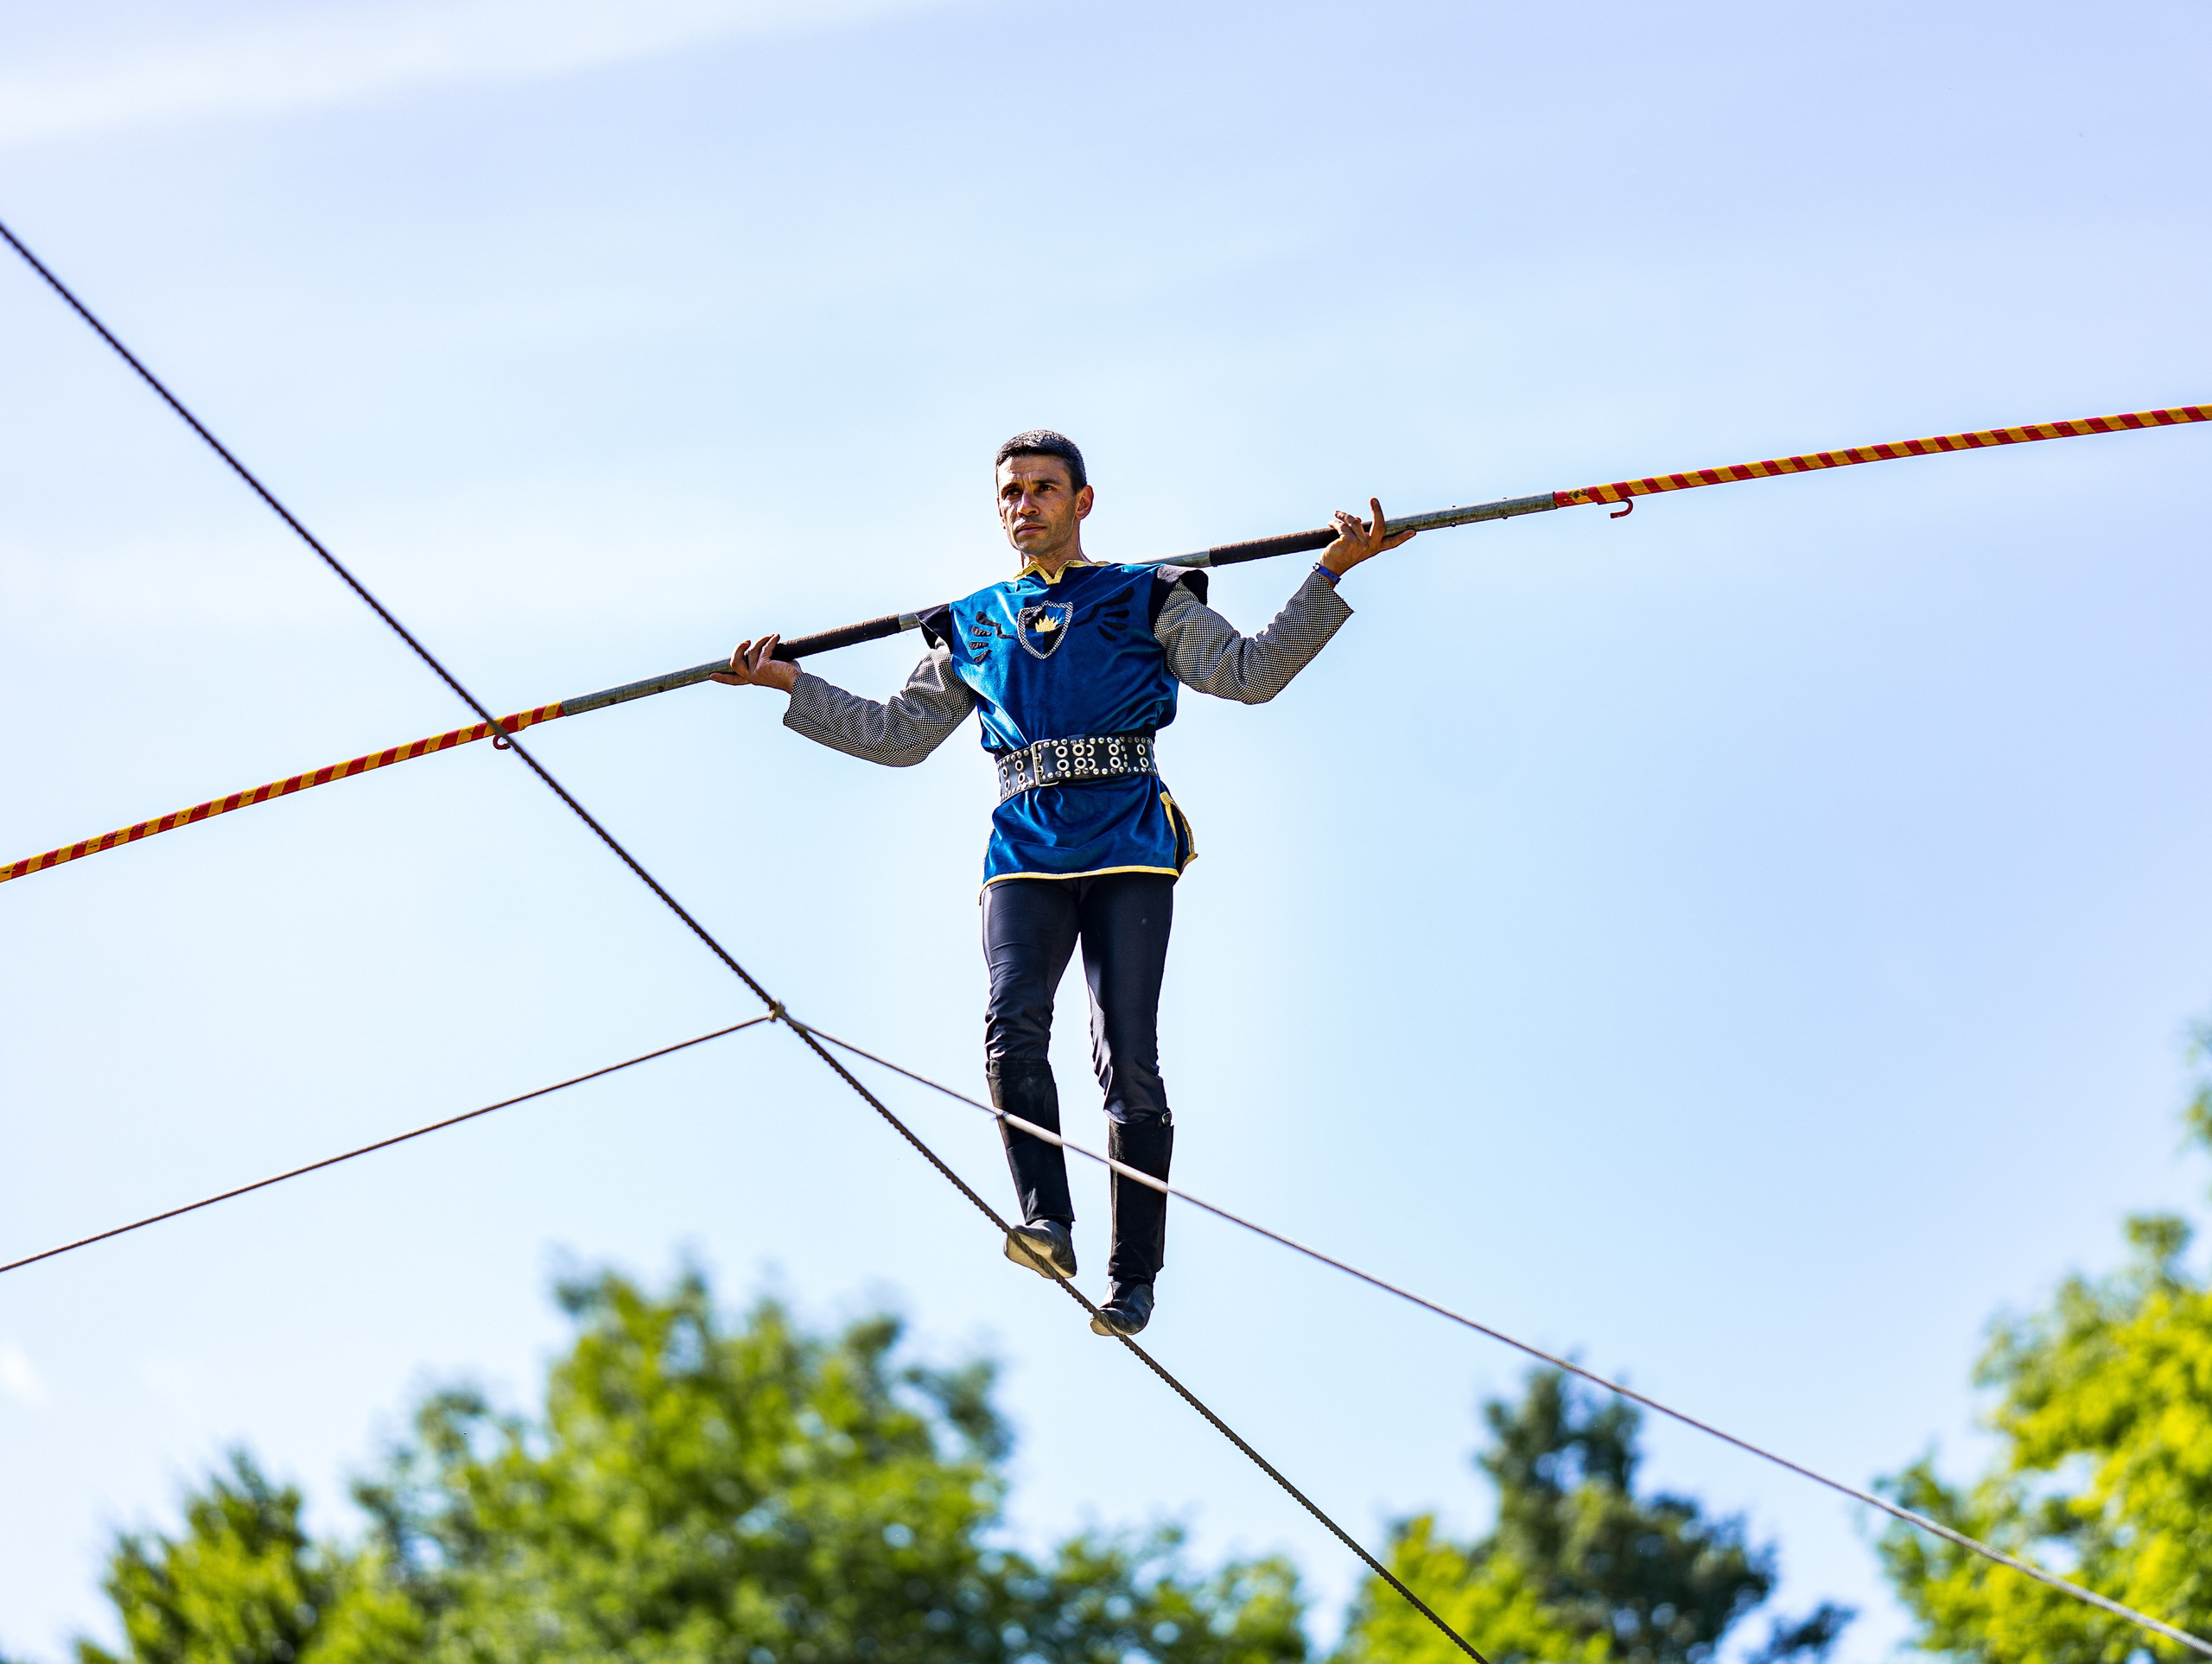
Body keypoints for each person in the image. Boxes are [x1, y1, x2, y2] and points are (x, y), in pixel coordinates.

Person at [715, 431, 1411, 1336]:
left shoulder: (1145, 595)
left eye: (1044, 489)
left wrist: (1329, 574)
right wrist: (791, 684)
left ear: (1082, 502)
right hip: (1025, 849)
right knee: (1010, 1025)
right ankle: (1047, 1219)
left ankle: (1134, 1278)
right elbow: (898, 735)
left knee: (1128, 1057)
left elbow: (1250, 674)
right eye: (1010, 492)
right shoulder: (971, 621)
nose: (1025, 504)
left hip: (1125, 841)